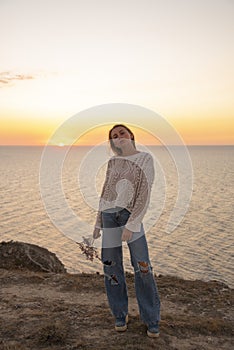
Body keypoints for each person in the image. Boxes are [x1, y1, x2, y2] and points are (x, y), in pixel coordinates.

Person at [93, 124, 160, 338]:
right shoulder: (113, 162)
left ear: (131, 135)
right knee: (111, 267)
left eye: (122, 133)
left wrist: (132, 224)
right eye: (114, 136)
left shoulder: (145, 158)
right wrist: (97, 223)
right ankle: (120, 314)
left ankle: (151, 319)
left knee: (143, 267)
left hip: (131, 216)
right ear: (112, 143)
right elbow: (106, 191)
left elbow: (144, 193)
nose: (118, 137)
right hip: (109, 216)